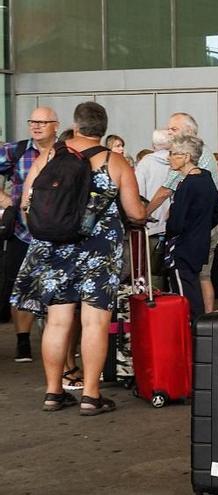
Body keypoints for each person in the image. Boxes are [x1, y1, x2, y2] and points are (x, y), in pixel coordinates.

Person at [12, 101, 146, 414]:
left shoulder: (50, 155)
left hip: (55, 246)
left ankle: (53, 391)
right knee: (94, 322)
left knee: (57, 322)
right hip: (98, 250)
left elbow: (26, 201)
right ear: (103, 128)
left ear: (76, 124)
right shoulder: (114, 161)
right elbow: (135, 213)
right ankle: (90, 395)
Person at [0, 107, 59, 363]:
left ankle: (60, 341)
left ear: (55, 125)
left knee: (57, 286)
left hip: (57, 232)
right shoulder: (16, 150)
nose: (36, 126)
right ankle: (23, 341)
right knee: (18, 285)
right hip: (22, 233)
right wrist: (6, 201)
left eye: (42, 122)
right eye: (32, 121)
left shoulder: (65, 152)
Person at [145, 113, 218, 312]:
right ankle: (206, 326)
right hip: (200, 235)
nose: (169, 132)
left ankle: (195, 327)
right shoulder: (203, 173)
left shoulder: (187, 178)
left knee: (187, 285)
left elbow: (166, 196)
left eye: (174, 129)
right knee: (202, 278)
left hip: (187, 241)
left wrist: (143, 214)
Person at [164, 135, 218, 321]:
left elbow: (176, 223)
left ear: (186, 156)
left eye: (173, 154)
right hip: (200, 243)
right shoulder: (205, 177)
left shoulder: (186, 185)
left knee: (184, 296)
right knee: (194, 288)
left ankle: (191, 337)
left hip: (183, 246)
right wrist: (202, 226)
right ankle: (199, 333)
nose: (169, 157)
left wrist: (172, 229)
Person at [135, 129, 174, 290]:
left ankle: (156, 309)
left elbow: (138, 193)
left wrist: (143, 215)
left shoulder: (145, 163)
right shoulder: (177, 162)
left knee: (153, 272)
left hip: (151, 226)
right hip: (173, 225)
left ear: (153, 145)